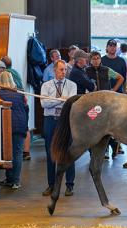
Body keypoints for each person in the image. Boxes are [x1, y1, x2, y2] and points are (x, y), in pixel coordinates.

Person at [40, 59, 77, 196]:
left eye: (65, 70)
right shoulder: (46, 85)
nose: (64, 72)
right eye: (61, 69)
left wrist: (55, 101)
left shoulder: (72, 85)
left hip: (66, 121)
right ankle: (51, 185)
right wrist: (61, 99)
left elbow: (71, 104)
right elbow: (44, 104)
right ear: (54, 70)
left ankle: (69, 185)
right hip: (50, 120)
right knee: (51, 152)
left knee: (68, 151)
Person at [0, 83, 28, 190]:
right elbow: (26, 109)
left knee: (7, 153)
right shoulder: (20, 94)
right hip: (20, 125)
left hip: (6, 126)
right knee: (17, 153)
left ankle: (10, 179)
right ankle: (16, 181)